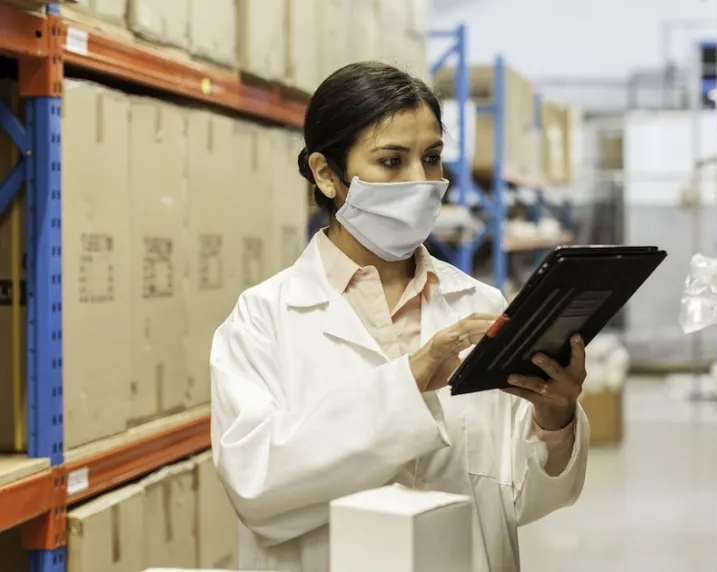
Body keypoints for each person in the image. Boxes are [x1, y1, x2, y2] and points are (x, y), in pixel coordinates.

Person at [209, 62, 589, 572]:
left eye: (431, 158)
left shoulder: (480, 306)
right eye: (391, 161)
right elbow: (257, 489)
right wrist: (408, 381)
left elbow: (517, 499)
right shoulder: (263, 320)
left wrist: (555, 417)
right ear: (327, 174)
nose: (421, 182)